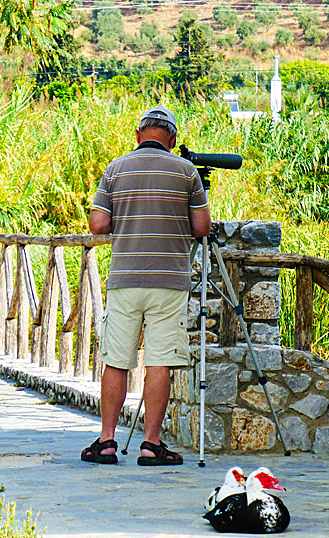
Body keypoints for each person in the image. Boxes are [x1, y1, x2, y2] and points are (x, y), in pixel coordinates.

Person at [81, 105, 211, 466]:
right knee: (160, 362)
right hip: (169, 281)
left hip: (125, 279)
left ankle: (107, 441)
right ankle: (151, 445)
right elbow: (202, 228)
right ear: (172, 139)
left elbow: (98, 225)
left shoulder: (115, 170)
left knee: (117, 361)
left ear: (138, 135)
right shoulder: (186, 172)